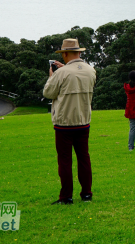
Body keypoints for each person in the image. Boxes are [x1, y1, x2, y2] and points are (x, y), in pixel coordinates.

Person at [43, 38, 96, 205]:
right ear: (79, 52)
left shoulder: (61, 73)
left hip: (64, 123)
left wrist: (52, 77)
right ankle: (86, 193)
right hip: (83, 120)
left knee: (65, 160)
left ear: (65, 54)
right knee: (84, 158)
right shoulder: (90, 70)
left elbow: (48, 93)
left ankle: (66, 196)